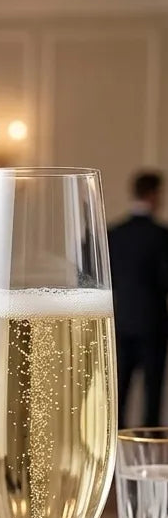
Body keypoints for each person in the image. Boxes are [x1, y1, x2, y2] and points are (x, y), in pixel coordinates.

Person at [109, 170, 168, 427]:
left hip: (121, 322)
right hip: (153, 325)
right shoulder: (161, 236)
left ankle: (116, 448)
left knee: (118, 394)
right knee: (152, 395)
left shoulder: (114, 234)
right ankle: (149, 447)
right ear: (154, 195)